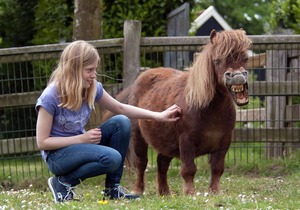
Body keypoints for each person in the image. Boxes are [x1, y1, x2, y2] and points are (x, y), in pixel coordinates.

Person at [35, 40, 181, 203]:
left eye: (95, 69)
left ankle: (113, 189)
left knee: (121, 122)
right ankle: (62, 182)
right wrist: (81, 139)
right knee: (112, 158)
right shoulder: (50, 97)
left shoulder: (91, 88)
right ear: (73, 69)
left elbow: (121, 108)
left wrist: (159, 115)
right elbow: (42, 142)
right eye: (89, 70)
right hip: (57, 156)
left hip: (79, 146)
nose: (94, 75)